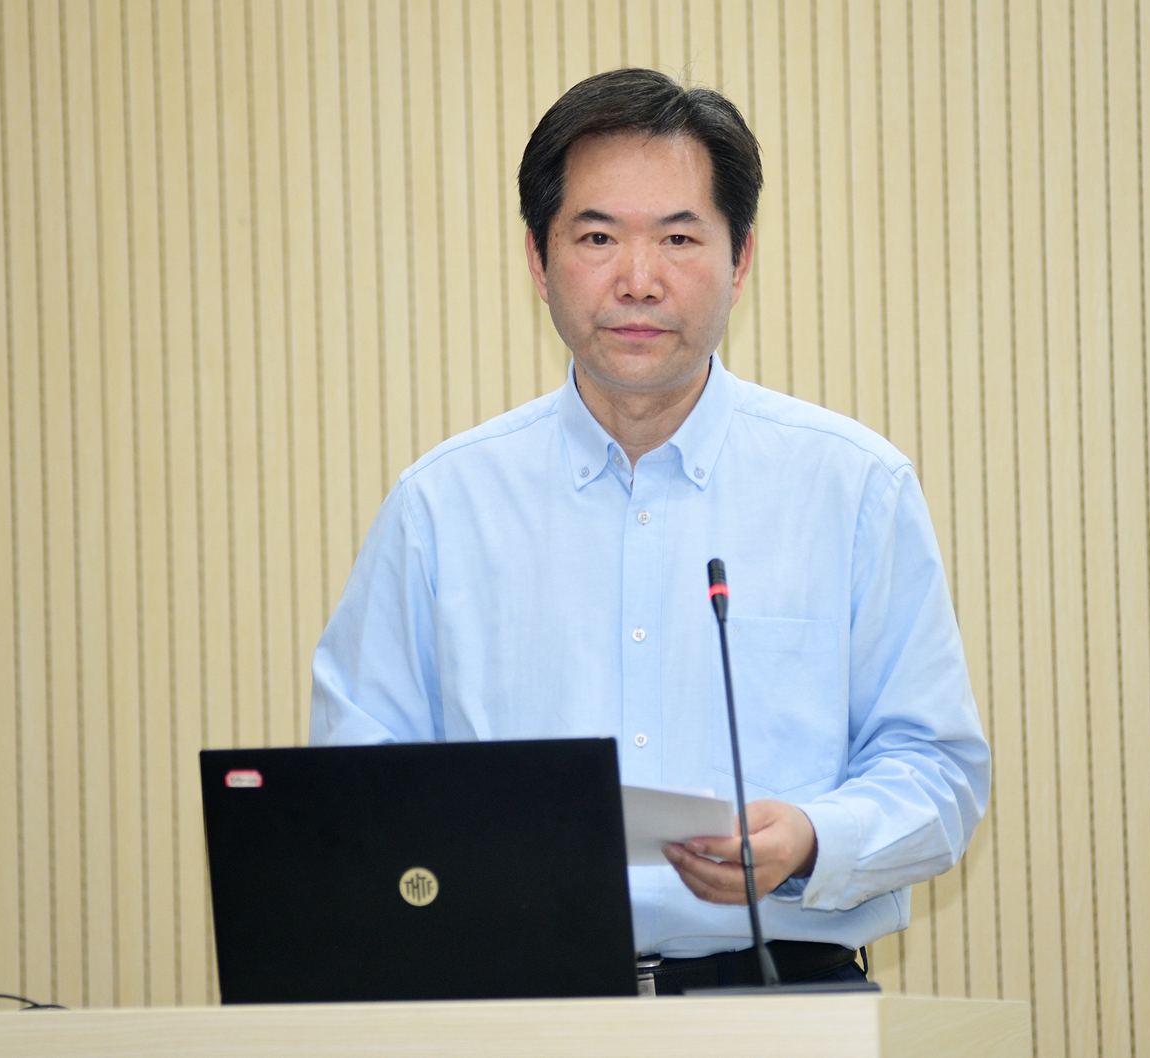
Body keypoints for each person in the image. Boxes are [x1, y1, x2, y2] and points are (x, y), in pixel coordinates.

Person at [309, 68, 990, 992]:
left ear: (740, 260)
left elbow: (938, 770)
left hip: (783, 1000)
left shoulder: (852, 487)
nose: (638, 280)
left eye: (678, 237)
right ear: (538, 260)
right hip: (515, 1005)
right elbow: (354, 786)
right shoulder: (442, 506)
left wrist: (813, 838)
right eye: (597, 238)